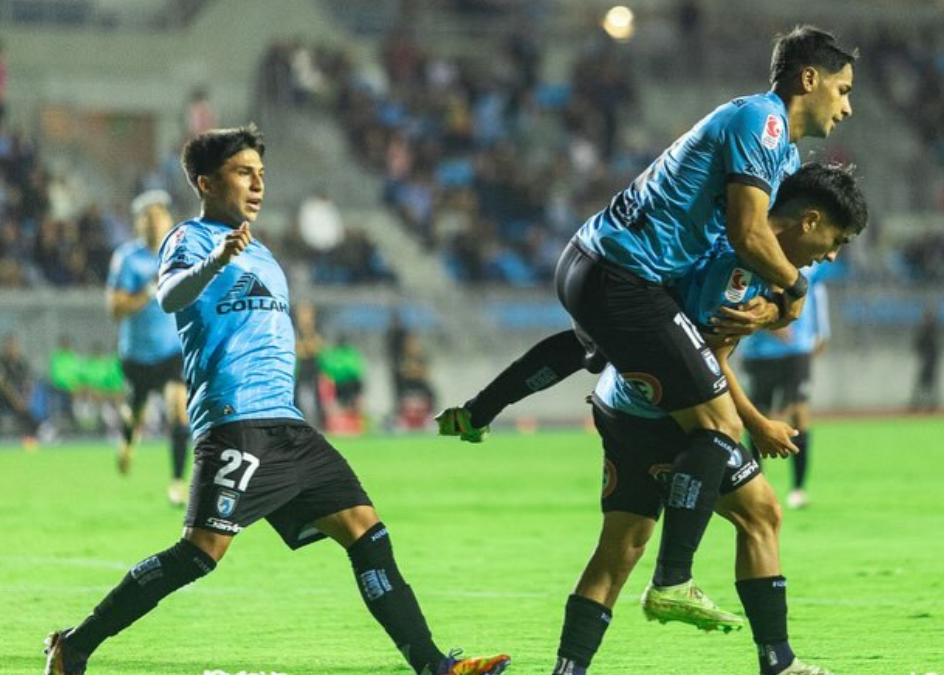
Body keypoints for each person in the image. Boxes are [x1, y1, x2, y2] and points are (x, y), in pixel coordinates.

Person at [44, 124, 509, 675]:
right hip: (234, 421)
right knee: (199, 553)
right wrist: (216, 260)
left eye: (261, 175)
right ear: (207, 182)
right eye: (244, 173)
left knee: (367, 530)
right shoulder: (189, 240)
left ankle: (435, 666)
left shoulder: (264, 254)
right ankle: (74, 644)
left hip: (288, 426)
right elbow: (169, 297)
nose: (258, 185)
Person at [441, 163, 868, 675]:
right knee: (758, 512)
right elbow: (703, 364)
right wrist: (757, 422)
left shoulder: (735, 247)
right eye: (835, 239)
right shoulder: (735, 265)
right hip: (666, 410)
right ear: (808, 221)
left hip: (622, 402)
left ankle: (569, 669)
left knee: (621, 546)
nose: (832, 254)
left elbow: (607, 348)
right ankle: (714, 612)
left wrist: (774, 314)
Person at [552, 25, 856, 626]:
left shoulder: (784, 155)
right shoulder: (761, 123)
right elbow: (749, 236)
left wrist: (772, 303)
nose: (847, 107)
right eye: (843, 90)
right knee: (718, 424)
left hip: (630, 283)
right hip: (621, 271)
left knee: (674, 529)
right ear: (809, 79)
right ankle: (675, 580)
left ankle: (580, 662)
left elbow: (751, 245)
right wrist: (794, 289)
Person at [106, 189, 191, 505]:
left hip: (172, 351)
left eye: (159, 215)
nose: (154, 222)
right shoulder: (127, 259)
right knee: (136, 413)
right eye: (147, 216)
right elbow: (115, 309)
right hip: (136, 354)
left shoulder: (180, 254)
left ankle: (177, 483)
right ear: (138, 222)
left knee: (177, 409)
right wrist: (149, 291)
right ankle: (127, 441)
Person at [739, 265, 830, 509]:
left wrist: (823, 331)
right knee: (759, 418)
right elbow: (740, 293)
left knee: (799, 413)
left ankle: (798, 489)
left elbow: (817, 291)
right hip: (759, 352)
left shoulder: (811, 260)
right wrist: (767, 322)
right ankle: (755, 486)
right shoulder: (754, 253)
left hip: (797, 351)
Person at [909, 307, 941, 412]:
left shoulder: (933, 329)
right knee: (922, 384)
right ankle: (917, 405)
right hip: (925, 359)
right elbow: (918, 344)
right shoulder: (926, 329)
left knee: (929, 384)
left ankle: (929, 405)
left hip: (931, 360)